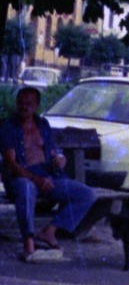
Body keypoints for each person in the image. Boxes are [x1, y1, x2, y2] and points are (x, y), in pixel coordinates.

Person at [0, 85, 97, 261]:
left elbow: (52, 152)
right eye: (21, 103)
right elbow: (11, 163)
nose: (24, 107)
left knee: (87, 194)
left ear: (37, 106)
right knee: (27, 190)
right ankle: (28, 242)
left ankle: (49, 231)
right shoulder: (9, 127)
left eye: (29, 103)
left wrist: (59, 159)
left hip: (48, 176)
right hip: (21, 177)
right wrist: (37, 180)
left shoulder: (43, 124)